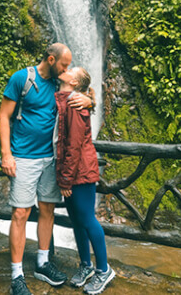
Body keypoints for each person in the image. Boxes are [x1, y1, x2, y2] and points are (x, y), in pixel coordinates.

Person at [0, 43, 93, 295]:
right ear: (51, 59)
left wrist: (90, 99)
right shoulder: (22, 78)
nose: (67, 69)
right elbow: (3, 115)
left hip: (51, 158)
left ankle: (42, 263)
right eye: (64, 64)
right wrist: (6, 154)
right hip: (24, 157)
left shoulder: (60, 82)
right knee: (20, 213)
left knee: (47, 210)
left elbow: (82, 91)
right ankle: (17, 275)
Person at [55, 67, 115, 295]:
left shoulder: (76, 104)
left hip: (80, 171)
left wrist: (66, 180)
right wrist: (92, 100)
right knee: (76, 220)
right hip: (72, 171)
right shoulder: (70, 99)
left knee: (88, 219)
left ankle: (103, 270)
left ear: (75, 82)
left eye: (72, 70)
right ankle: (86, 265)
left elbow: (74, 146)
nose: (66, 70)